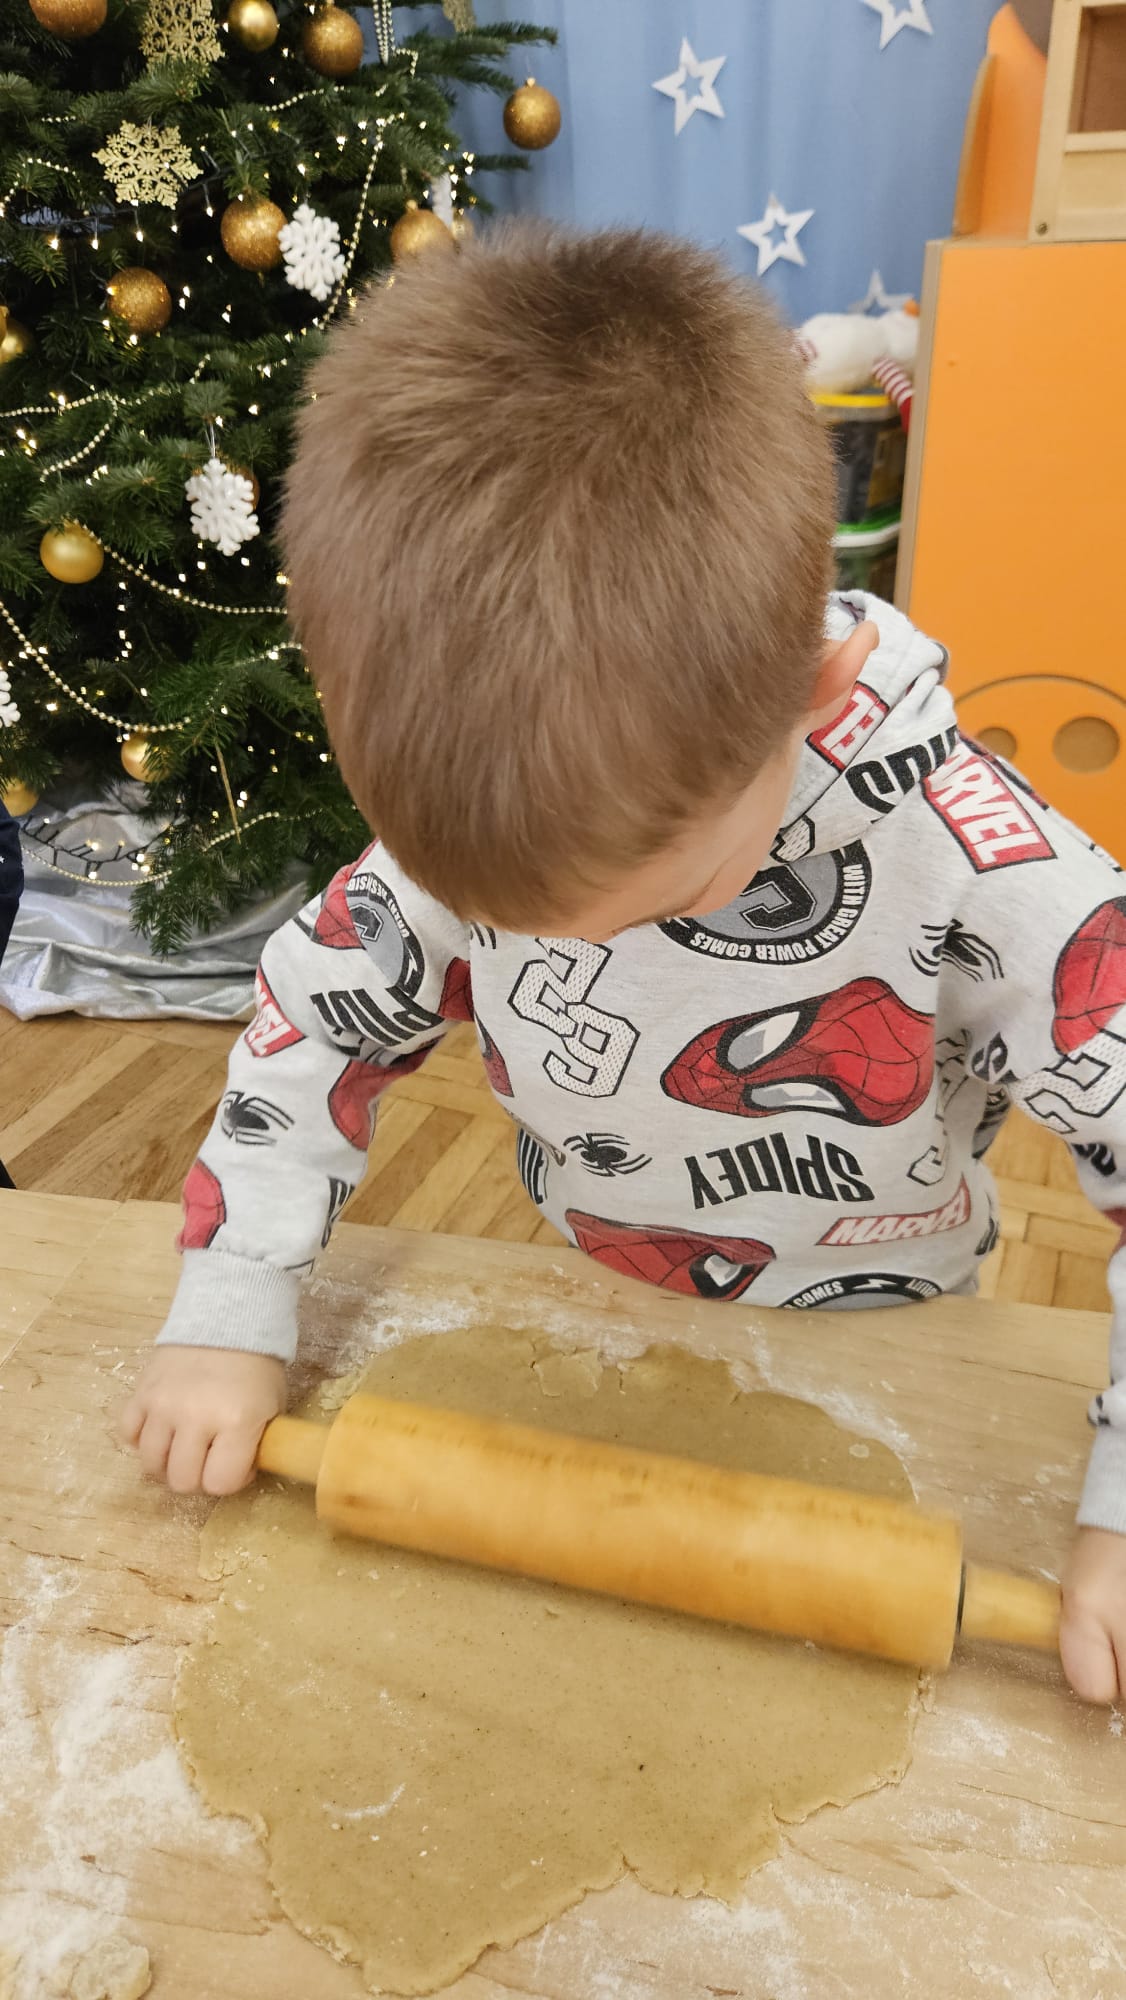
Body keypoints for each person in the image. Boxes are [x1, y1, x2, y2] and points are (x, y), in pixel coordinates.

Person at [122, 224, 1126, 1703]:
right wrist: (229, 1312)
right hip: (593, 1303)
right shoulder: (492, 800)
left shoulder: (983, 863)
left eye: (655, 900)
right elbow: (314, 1026)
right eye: (513, 920)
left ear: (815, 697)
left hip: (897, 1328)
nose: (571, 954)